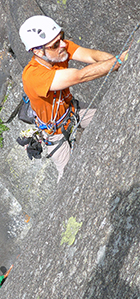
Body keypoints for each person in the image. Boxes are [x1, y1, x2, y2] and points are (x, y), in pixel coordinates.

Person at [19, 15, 127, 182]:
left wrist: (123, 63)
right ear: (38, 51)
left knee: (114, 119)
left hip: (71, 110)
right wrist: (119, 61)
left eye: (61, 37)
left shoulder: (59, 49)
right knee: (68, 178)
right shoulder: (33, 76)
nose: (63, 44)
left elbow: (92, 56)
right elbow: (80, 76)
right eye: (55, 44)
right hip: (53, 131)